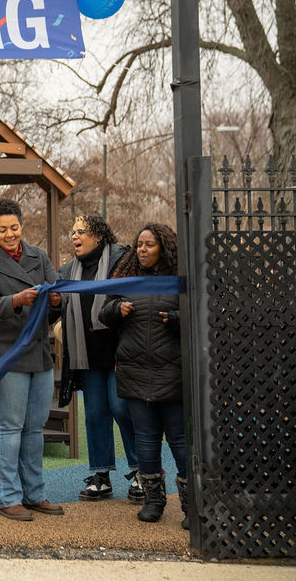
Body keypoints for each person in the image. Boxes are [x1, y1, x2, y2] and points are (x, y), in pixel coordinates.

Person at [0, 198, 63, 521]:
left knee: (34, 428)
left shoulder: (39, 256)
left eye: (14, 227)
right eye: (2, 229)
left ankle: (34, 494)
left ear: (22, 226)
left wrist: (56, 299)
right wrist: (17, 300)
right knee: (10, 425)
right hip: (2, 354)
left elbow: (56, 300)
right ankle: (8, 498)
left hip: (38, 352)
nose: (10, 234)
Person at [99, 222, 188, 528]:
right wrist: (116, 309)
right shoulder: (127, 279)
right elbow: (103, 313)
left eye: (149, 244)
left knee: (180, 442)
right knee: (146, 443)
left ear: (164, 247)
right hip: (136, 374)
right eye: (139, 245)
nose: (142, 250)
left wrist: (178, 319)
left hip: (172, 374)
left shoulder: (179, 281)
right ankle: (154, 501)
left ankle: (192, 504)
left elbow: (201, 315)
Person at [57, 214, 142, 503]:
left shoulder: (123, 259)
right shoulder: (68, 270)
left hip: (120, 351)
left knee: (122, 410)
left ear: (99, 236)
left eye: (81, 231)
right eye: (72, 231)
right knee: (94, 413)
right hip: (87, 354)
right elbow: (56, 309)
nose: (74, 236)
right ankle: (101, 476)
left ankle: (142, 472)